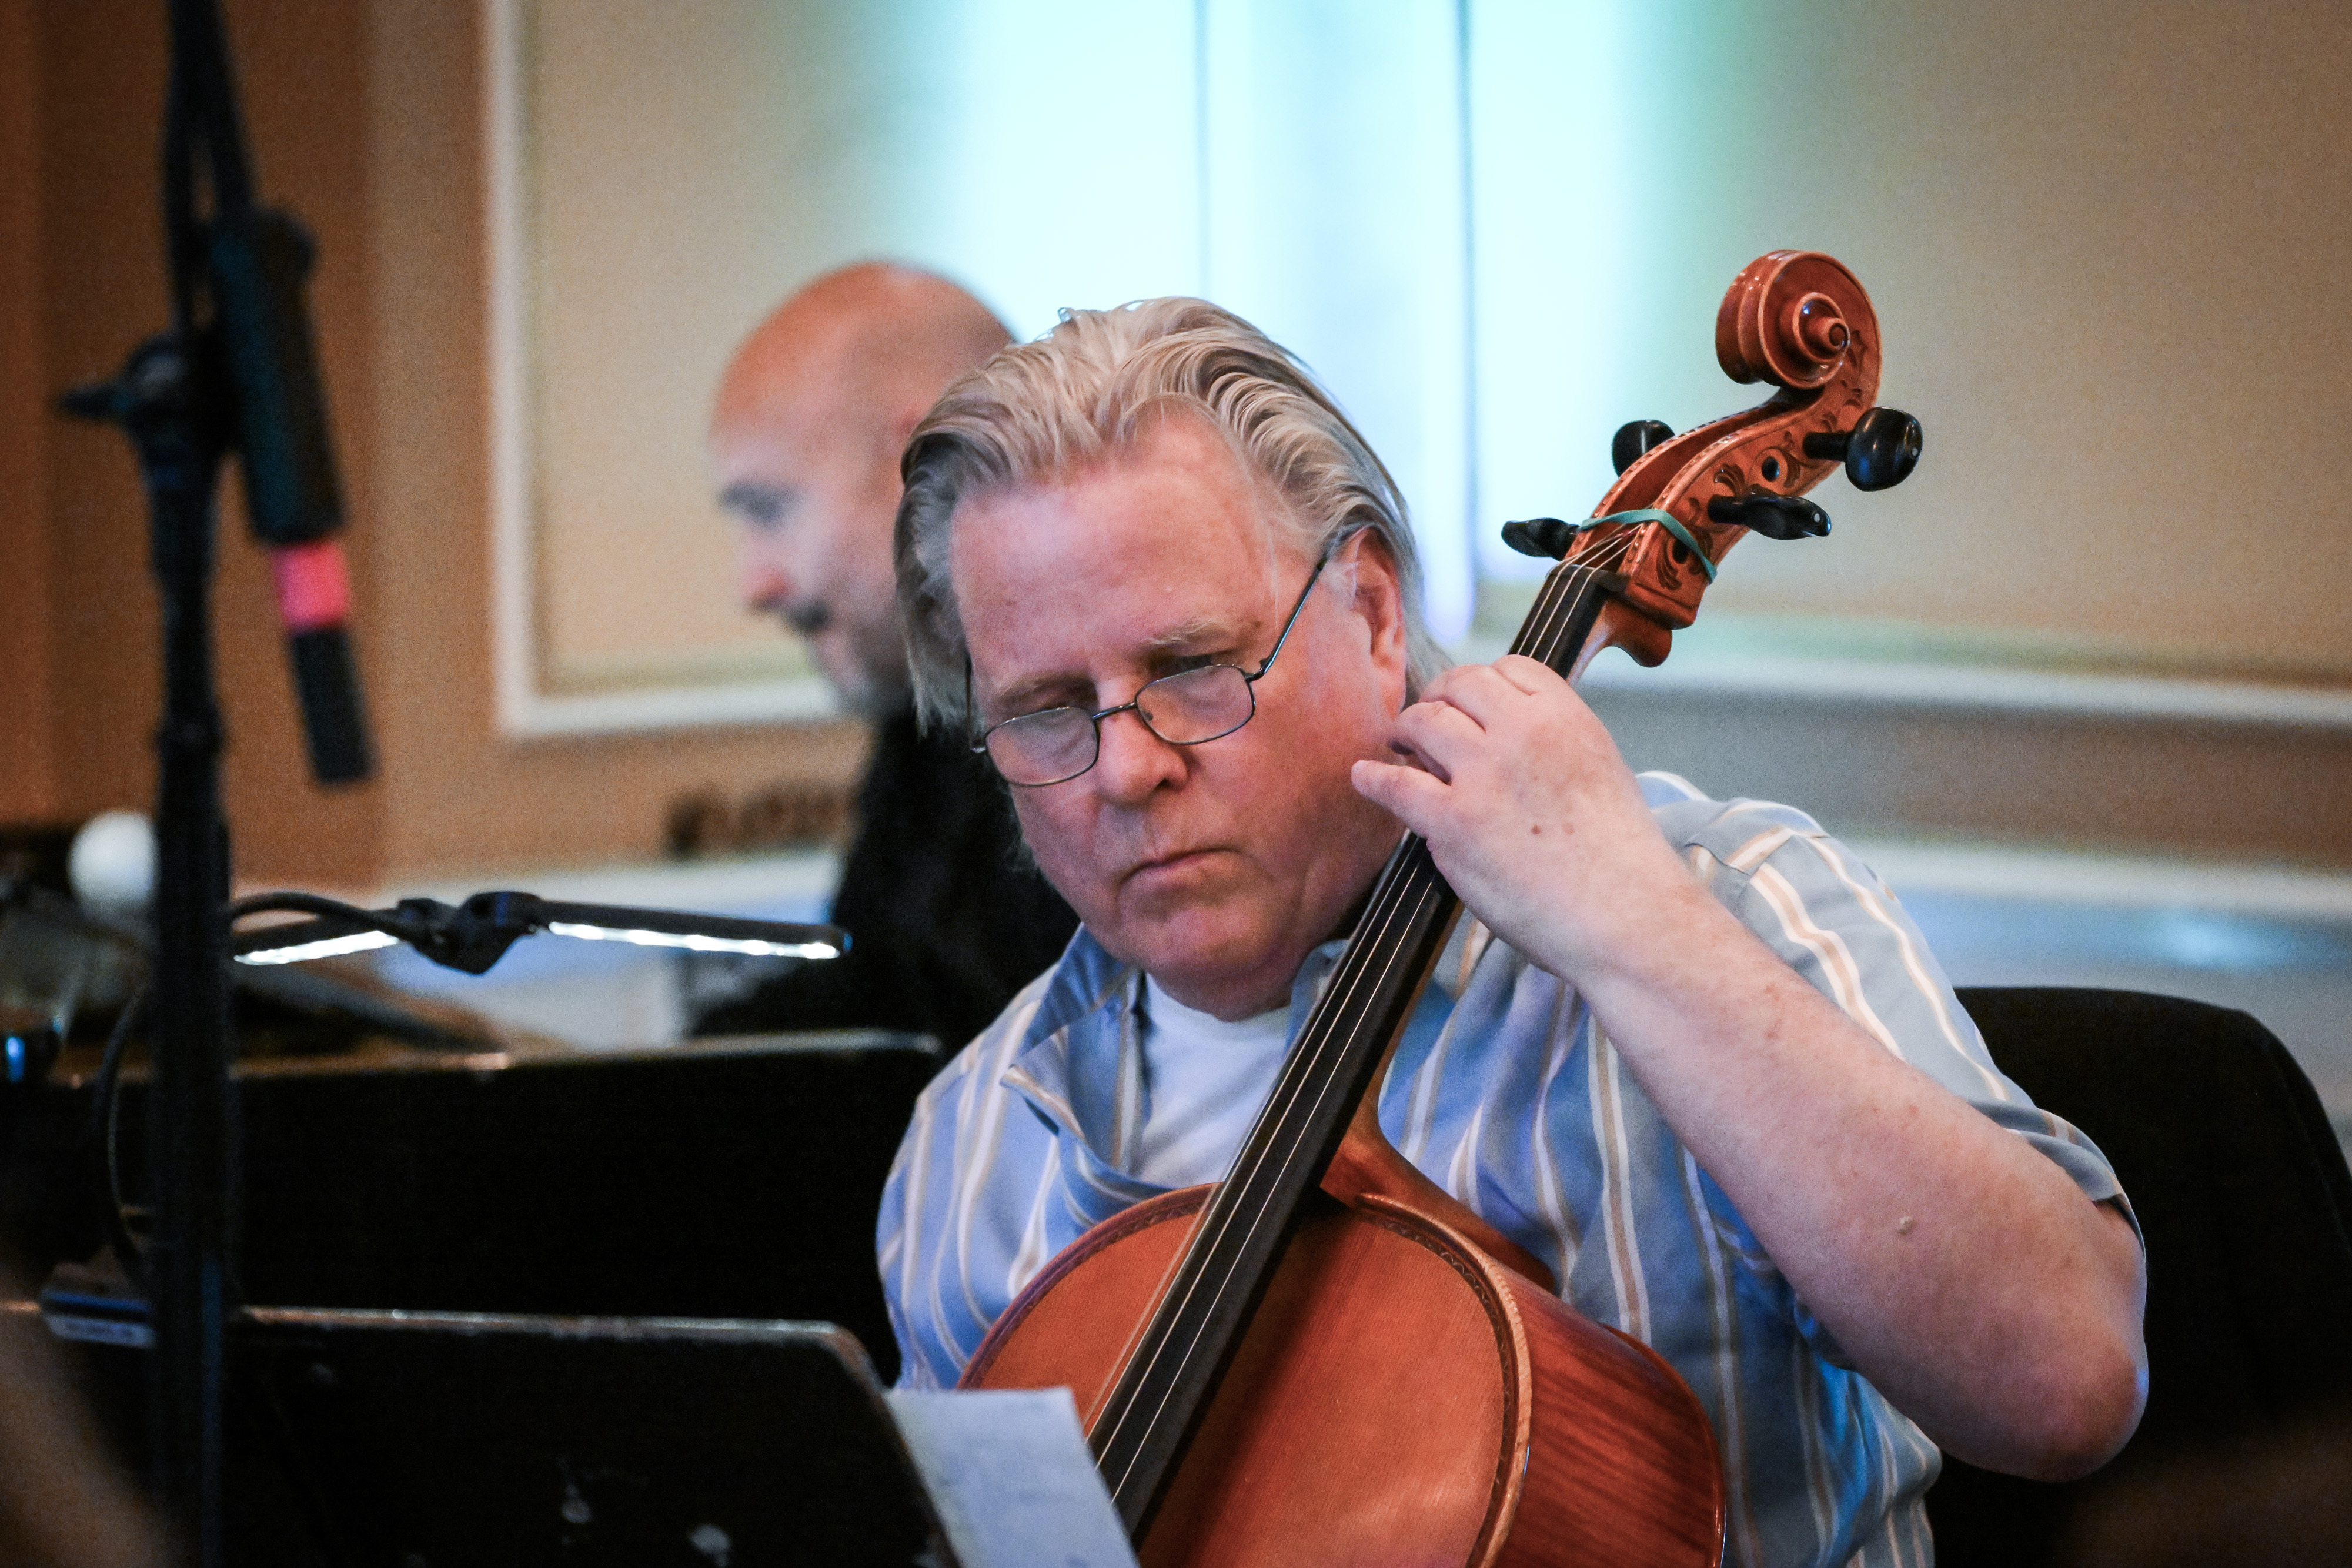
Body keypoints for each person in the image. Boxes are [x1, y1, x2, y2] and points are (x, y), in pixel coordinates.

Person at [875, 299, 2148, 1566]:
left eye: (1194, 665)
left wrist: (1631, 925)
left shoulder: (1724, 897)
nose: (1124, 768)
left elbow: (2067, 1381)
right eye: (1046, 708)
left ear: (1374, 612)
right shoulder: (971, 1153)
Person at [693, 262, 1077, 1049]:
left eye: (770, 508)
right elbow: (873, 995)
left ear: (922, 465)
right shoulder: (924, 718)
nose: (754, 585)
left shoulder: (1109, 744)